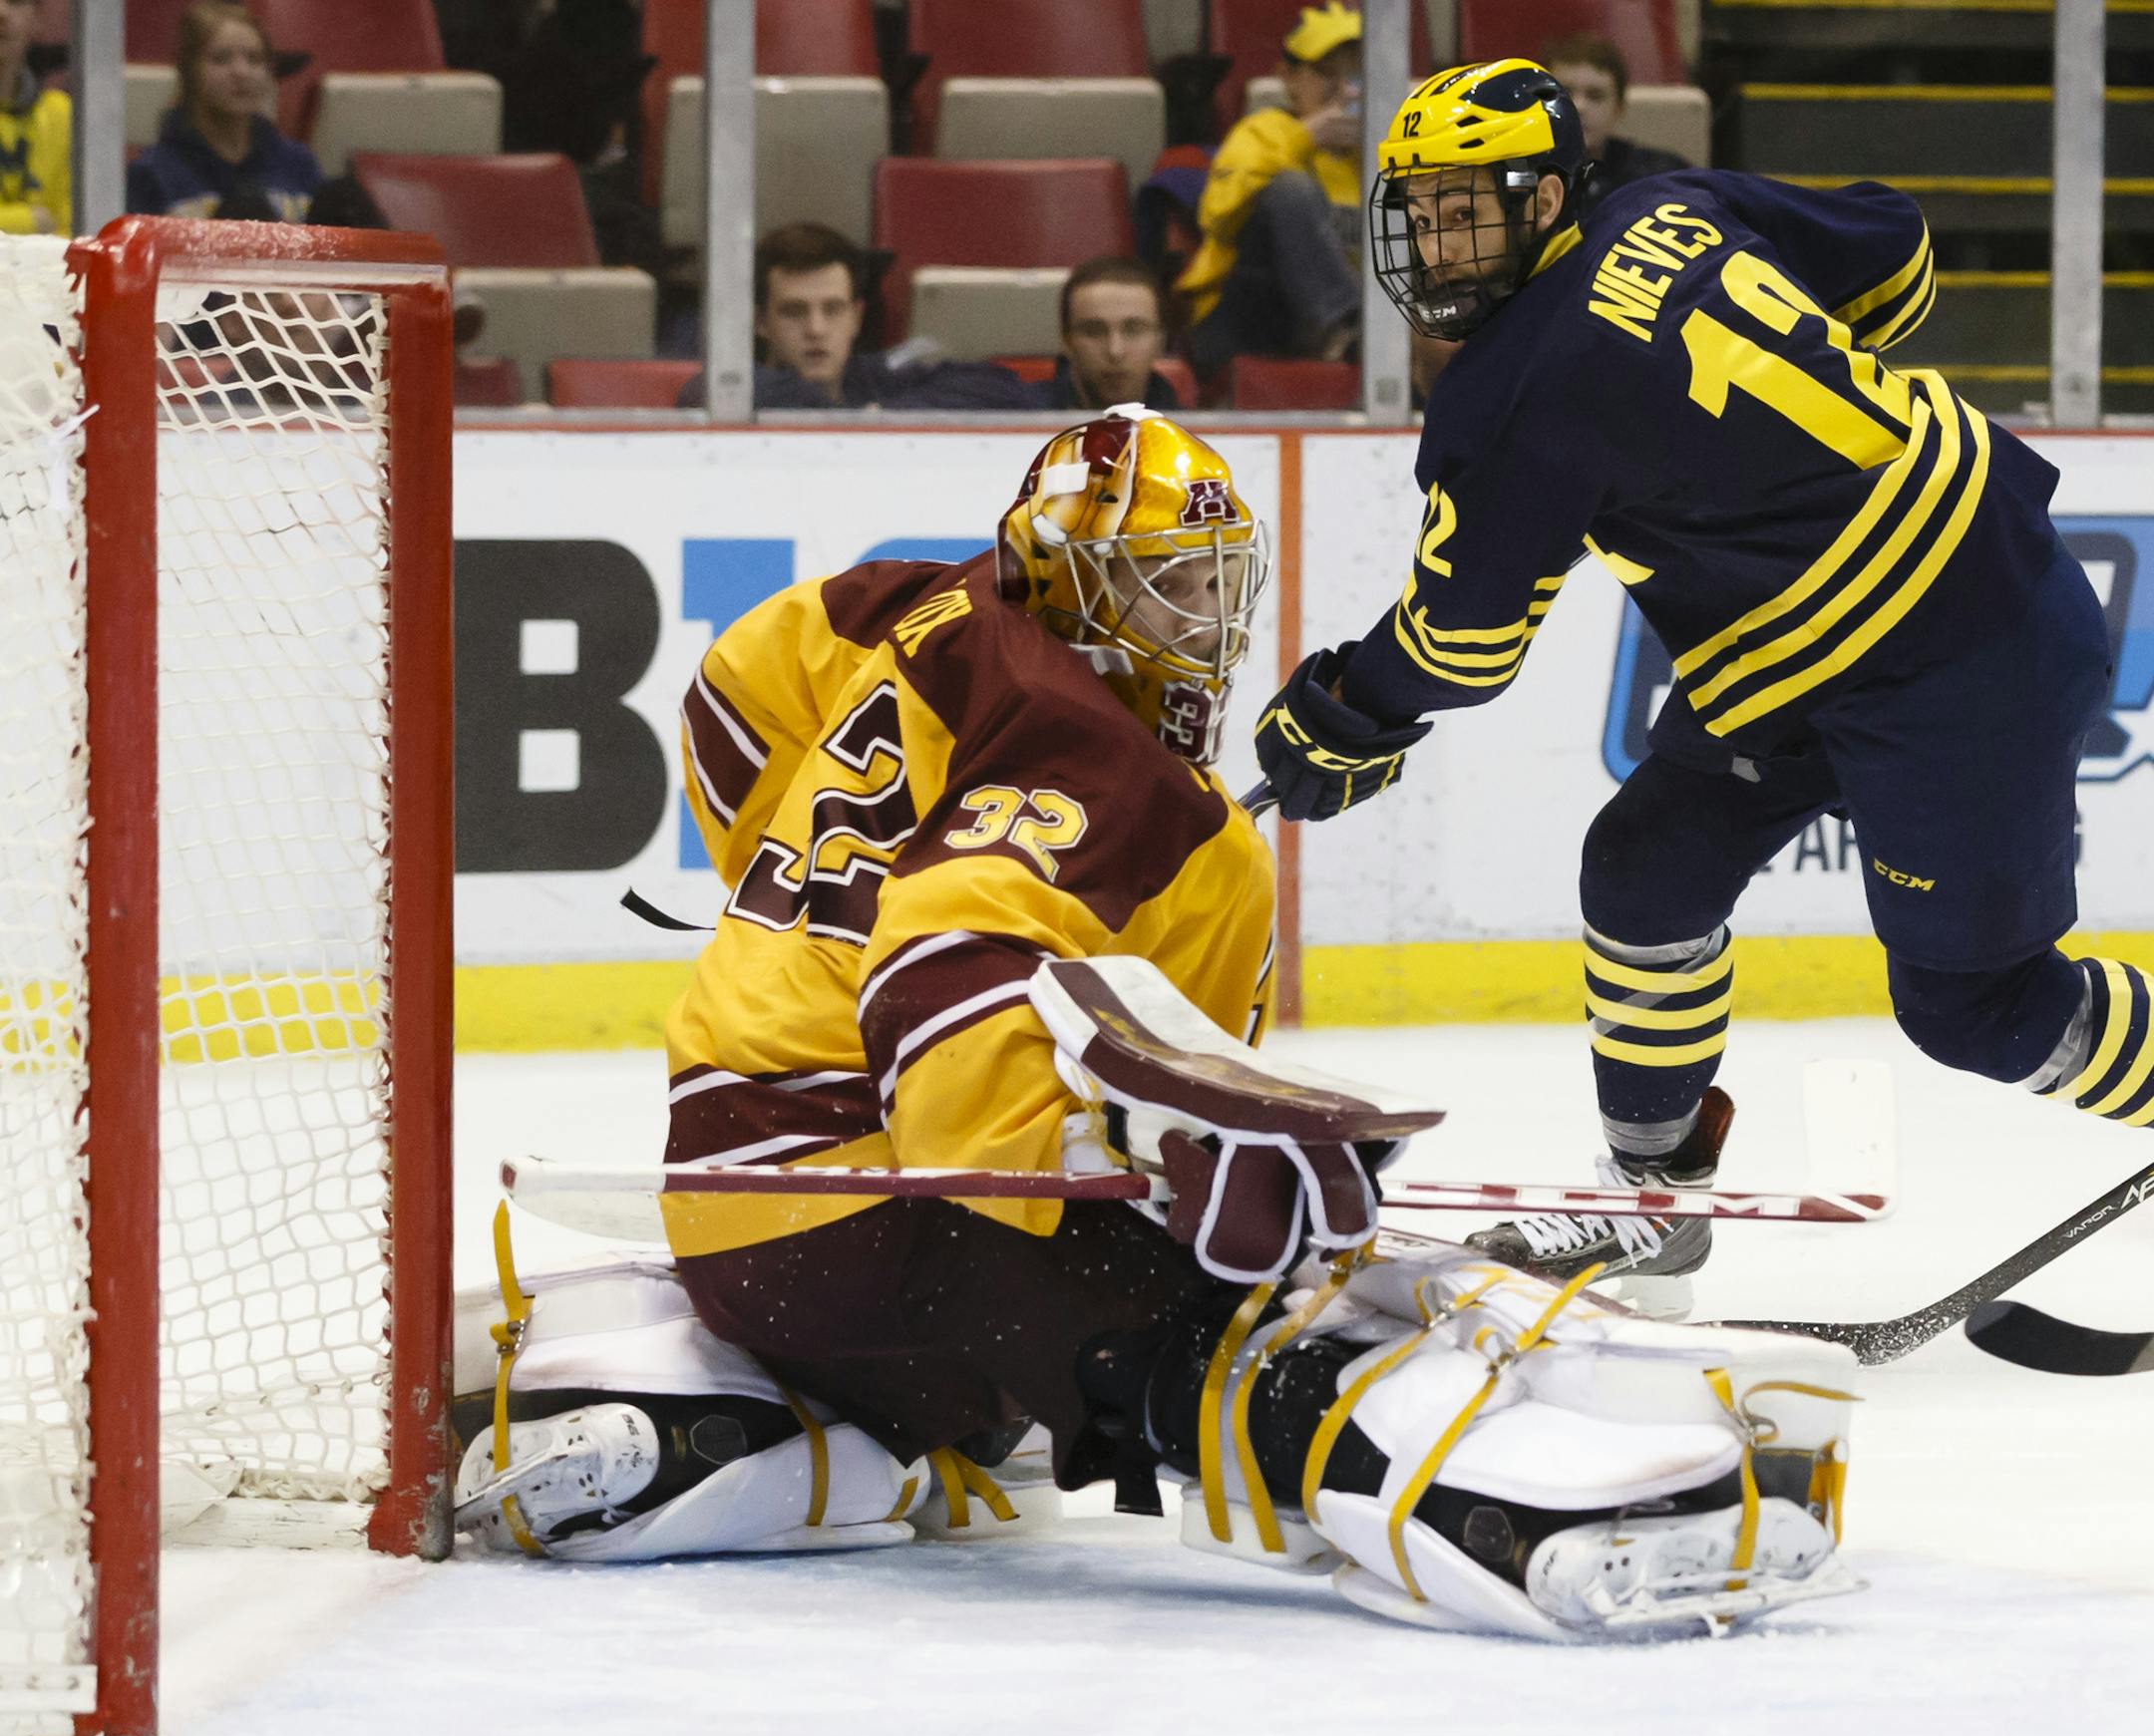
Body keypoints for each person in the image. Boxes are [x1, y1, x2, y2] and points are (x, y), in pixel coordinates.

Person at [449, 408, 1861, 1641]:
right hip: (885, 1215)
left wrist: (787, 886)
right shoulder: (1096, 755)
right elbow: (947, 960)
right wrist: (1101, 1159)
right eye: (1168, 586)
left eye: (1213, 586)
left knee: (1024, 1388)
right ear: (1071, 582)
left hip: (738, 1209)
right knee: (1243, 1326)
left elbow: (734, 701)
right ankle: (1513, 1514)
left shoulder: (903, 605)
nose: (1207, 624)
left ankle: (753, 1431)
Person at [1251, 61, 2136, 1317]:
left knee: (1975, 1004)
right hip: (1821, 637)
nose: (1441, 247)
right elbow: (1896, 251)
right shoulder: (1677, 209)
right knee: (1642, 870)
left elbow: (1463, 648)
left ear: (1550, 193)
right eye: (1424, 214)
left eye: (1472, 211)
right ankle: (1651, 1200)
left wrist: (1345, 706)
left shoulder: (1506, 397)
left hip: (1961, 644)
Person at [1177, 3, 1362, 380]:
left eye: (1357, 75)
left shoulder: (1381, 156)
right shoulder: (1264, 130)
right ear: (1288, 77)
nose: (1343, 89)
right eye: (1327, 73)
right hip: (1241, 321)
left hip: (1334, 330)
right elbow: (1217, 217)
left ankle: (1353, 333)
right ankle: (1349, 327)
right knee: (1289, 190)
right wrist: (1303, 137)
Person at [676, 221, 1030, 410]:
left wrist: (886, 416)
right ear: (760, 322)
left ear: (856, 318)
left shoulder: (878, 378)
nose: (816, 329)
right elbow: (701, 391)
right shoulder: (737, 387)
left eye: (832, 310)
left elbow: (1000, 387)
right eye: (794, 312)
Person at [126, 2, 321, 221]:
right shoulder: (150, 174)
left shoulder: (298, 163)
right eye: (221, 58)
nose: (241, 72)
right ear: (190, 71)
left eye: (254, 59)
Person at [1543, 31, 1687, 216]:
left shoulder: (1663, 177)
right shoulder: (1511, 177)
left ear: (1619, 109)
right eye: (1565, 92)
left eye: (1596, 96)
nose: (1579, 107)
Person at [1029, 257, 1180, 411]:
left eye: (1133, 330)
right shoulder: (1019, 418)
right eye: (1094, 331)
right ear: (1067, 340)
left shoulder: (1188, 432)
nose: (1115, 351)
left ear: (1161, 341)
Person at [0, 0, 69, 236]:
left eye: (16, 1)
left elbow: (78, 236)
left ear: (37, 20)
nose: (2, 12)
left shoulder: (61, 115)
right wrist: (31, 221)